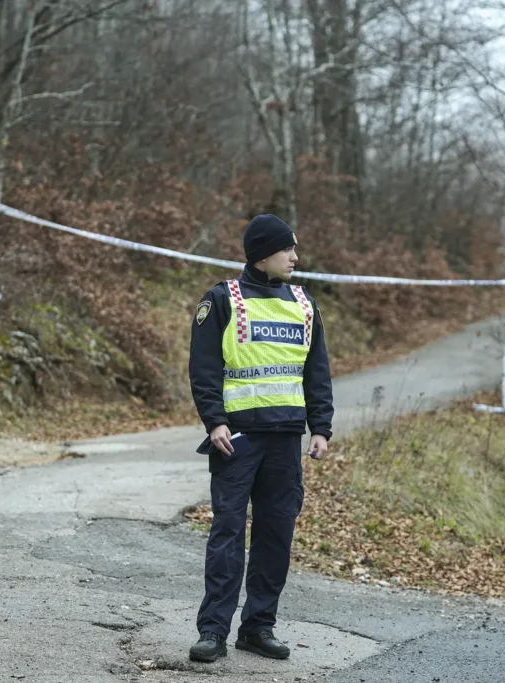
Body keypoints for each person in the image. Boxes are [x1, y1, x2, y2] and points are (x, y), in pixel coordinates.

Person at [186, 214, 334, 663]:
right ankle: (213, 630)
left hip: (286, 440)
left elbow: (317, 370)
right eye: (287, 249)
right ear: (262, 254)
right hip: (237, 440)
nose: (295, 257)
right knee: (227, 535)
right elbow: (204, 367)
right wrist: (214, 421)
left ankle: (258, 628)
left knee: (275, 537)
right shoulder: (222, 299)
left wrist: (321, 426)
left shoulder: (303, 303)